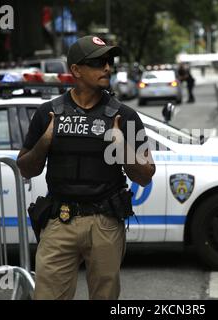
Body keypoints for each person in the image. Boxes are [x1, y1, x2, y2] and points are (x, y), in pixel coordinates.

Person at [16, 35, 155, 300]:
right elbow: (26, 169)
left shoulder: (124, 116)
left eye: (109, 62)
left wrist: (121, 146)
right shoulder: (49, 113)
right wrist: (45, 141)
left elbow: (146, 175)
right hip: (60, 221)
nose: (107, 68)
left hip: (104, 223)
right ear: (76, 70)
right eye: (98, 62)